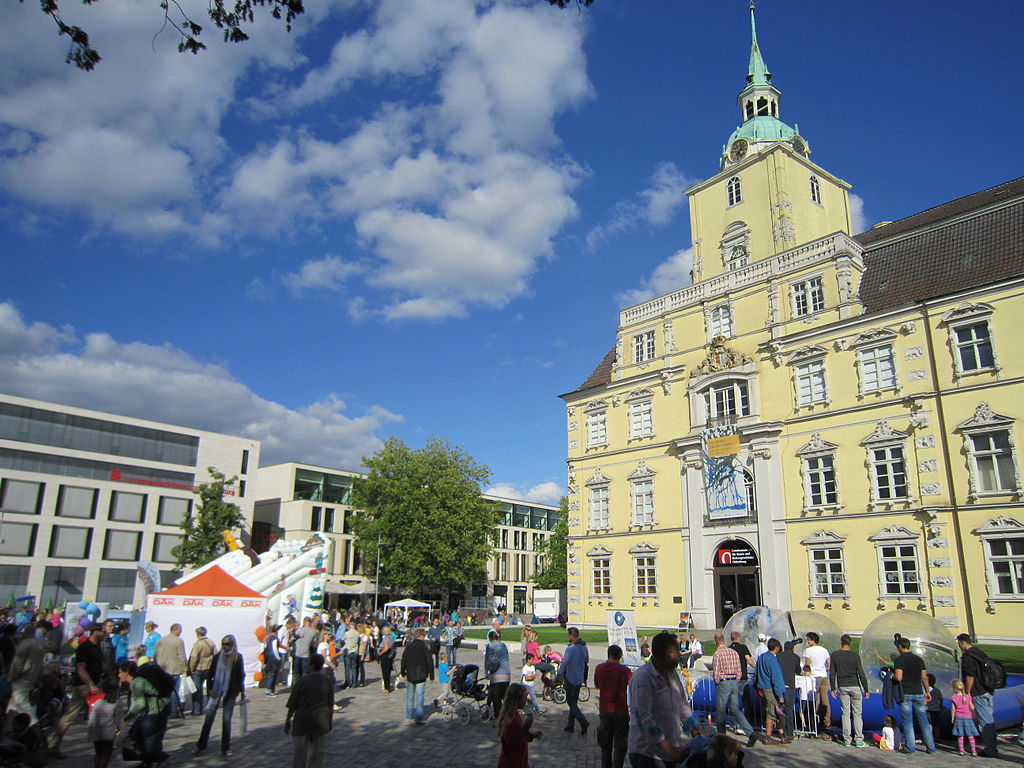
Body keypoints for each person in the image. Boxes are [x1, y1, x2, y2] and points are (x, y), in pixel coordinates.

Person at [627, 631, 693, 767]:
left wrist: (695, 731)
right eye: (676, 652)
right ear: (666, 655)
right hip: (647, 754)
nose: (679, 655)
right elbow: (645, 719)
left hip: (670, 752)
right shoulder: (643, 678)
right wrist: (669, 748)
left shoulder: (672, 674)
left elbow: (682, 705)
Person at [50, 624, 105, 758]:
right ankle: (53, 746)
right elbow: (81, 668)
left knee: (100, 715)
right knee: (71, 715)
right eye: (103, 631)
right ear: (95, 632)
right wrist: (91, 684)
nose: (106, 633)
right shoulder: (84, 647)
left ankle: (102, 747)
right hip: (82, 686)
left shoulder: (98, 647)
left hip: (95, 684)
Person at [195, 634, 245, 757]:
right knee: (209, 719)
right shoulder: (218, 657)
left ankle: (225, 747)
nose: (225, 646)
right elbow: (210, 674)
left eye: (227, 644)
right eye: (223, 643)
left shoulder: (237, 657)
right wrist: (209, 690)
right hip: (216, 690)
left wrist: (242, 691)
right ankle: (201, 745)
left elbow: (240, 675)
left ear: (233, 645)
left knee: (226, 720)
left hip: (231, 691)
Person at [285, 653, 334, 768]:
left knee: (299, 754)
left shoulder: (303, 681)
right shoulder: (327, 681)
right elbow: (330, 704)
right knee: (317, 754)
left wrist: (288, 719)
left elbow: (293, 703)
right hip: (321, 720)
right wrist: (329, 722)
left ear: (311, 665)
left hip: (302, 720)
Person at [120, 660, 170, 768]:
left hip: (156, 711)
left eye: (120, 672)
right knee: (139, 735)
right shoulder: (137, 681)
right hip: (158, 709)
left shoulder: (136, 683)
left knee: (148, 740)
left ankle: (159, 760)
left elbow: (139, 704)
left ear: (126, 672)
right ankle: (149, 761)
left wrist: (127, 716)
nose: (119, 675)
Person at [957, 633, 998, 759]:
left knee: (984, 722)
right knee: (990, 720)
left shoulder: (968, 656)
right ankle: (992, 746)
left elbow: (970, 676)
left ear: (963, 642)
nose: (959, 646)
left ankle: (990, 750)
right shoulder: (980, 653)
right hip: (988, 689)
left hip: (978, 691)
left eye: (959, 643)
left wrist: (967, 692)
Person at [892, 636, 936, 754]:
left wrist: (892, 676)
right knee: (924, 721)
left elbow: (899, 677)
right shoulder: (918, 659)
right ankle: (931, 747)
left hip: (905, 693)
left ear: (900, 647)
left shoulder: (899, 660)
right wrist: (927, 691)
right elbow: (924, 677)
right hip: (918, 692)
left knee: (908, 721)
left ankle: (910, 747)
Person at [829, 633, 869, 747]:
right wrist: (866, 689)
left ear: (841, 642)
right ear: (850, 643)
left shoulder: (835, 655)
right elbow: (861, 673)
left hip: (843, 686)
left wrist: (833, 688)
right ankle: (859, 739)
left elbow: (832, 673)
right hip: (855, 686)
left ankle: (847, 739)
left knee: (845, 714)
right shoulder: (855, 656)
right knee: (857, 714)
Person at [595, 644, 632, 768]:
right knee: (620, 746)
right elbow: (632, 684)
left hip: (605, 710)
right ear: (620, 656)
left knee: (605, 745)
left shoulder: (599, 668)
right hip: (621, 710)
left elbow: (597, 684)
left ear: (608, 654)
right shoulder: (625, 670)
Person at [711, 633, 754, 738]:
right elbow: (739, 669)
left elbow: (716, 672)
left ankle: (721, 735)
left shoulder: (718, 654)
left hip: (723, 681)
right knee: (735, 708)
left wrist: (717, 681)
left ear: (716, 642)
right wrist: (736, 679)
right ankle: (750, 732)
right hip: (734, 681)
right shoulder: (733, 653)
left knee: (721, 709)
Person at [496, 683, 542, 768]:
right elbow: (514, 742)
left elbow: (520, 733)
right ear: (517, 700)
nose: (526, 700)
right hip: (512, 762)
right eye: (525, 698)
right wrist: (526, 726)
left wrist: (531, 735)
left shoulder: (515, 715)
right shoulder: (510, 720)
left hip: (518, 760)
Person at [752, 638, 788, 745]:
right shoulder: (773, 660)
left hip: (763, 688)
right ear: (776, 648)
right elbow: (777, 679)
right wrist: (780, 695)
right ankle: (768, 736)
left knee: (776, 713)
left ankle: (782, 735)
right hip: (771, 689)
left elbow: (757, 673)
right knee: (771, 713)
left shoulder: (762, 657)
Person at [399, 628, 433, 725]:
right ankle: (419, 717)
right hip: (421, 674)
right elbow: (429, 662)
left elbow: (403, 659)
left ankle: (409, 715)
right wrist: (431, 675)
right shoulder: (424, 647)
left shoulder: (409, 646)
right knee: (420, 696)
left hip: (410, 673)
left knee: (410, 695)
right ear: (422, 636)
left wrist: (403, 672)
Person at [88, 677, 124, 768]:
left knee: (98, 756)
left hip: (97, 734)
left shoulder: (98, 702)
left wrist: (90, 733)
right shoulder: (117, 703)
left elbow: (91, 719)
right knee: (105, 757)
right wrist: (122, 734)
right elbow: (119, 720)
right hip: (108, 735)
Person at [154, 623, 187, 718]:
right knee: (173, 691)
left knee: (163, 691)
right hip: (174, 670)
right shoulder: (178, 641)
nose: (181, 632)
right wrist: (184, 669)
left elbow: (155, 653)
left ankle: (162, 710)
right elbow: (181, 656)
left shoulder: (161, 640)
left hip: (162, 669)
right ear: (176, 630)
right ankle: (173, 712)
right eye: (180, 630)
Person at [561, 626, 590, 736]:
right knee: (574, 702)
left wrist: (560, 674)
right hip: (579, 678)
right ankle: (570, 725)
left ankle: (583, 721)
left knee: (571, 702)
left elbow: (565, 663)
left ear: (571, 636)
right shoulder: (584, 648)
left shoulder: (571, 649)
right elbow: (586, 660)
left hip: (570, 678)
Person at [802, 632, 830, 734]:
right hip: (823, 675)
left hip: (813, 676)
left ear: (811, 640)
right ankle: (827, 721)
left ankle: (814, 721)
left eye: (808, 640)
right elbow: (829, 664)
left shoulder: (808, 651)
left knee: (815, 699)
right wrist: (824, 669)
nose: (807, 642)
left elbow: (807, 665)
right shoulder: (824, 650)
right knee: (825, 700)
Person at [188, 626, 216, 714]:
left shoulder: (197, 644)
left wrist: (191, 668)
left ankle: (196, 710)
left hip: (199, 668)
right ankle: (209, 706)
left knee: (197, 689)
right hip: (209, 667)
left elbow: (194, 657)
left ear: (197, 634)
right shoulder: (211, 642)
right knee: (209, 688)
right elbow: (216, 654)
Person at [777, 640, 801, 741]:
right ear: (792, 648)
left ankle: (782, 730)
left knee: (781, 710)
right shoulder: (796, 657)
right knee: (789, 709)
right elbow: (798, 670)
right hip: (790, 685)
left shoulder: (778, 656)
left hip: (780, 684)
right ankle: (789, 732)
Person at [485, 629, 511, 720]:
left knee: (497, 699)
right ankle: (509, 714)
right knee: (505, 696)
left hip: (496, 675)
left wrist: (486, 673)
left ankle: (500, 718)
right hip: (506, 674)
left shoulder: (490, 646)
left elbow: (487, 661)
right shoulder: (503, 645)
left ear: (490, 638)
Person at [950, 678, 979, 756]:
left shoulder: (953, 697)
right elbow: (972, 708)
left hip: (958, 717)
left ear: (954, 688)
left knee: (960, 735)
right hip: (968, 717)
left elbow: (953, 709)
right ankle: (973, 751)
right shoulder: (968, 697)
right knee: (970, 735)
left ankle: (961, 750)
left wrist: (952, 717)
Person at [263, 625, 284, 696]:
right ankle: (269, 689)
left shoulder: (268, 638)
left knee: (270, 673)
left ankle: (271, 689)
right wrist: (279, 658)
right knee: (273, 674)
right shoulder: (275, 639)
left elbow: (266, 648)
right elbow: (275, 649)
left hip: (268, 657)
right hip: (273, 658)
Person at [377, 624, 396, 693]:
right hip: (390, 656)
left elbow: (386, 648)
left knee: (385, 672)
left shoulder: (386, 638)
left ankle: (386, 688)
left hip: (385, 656)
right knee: (388, 672)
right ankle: (387, 687)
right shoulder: (392, 637)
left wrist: (380, 653)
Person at [925, 673, 942, 744]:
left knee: (929, 723)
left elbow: (925, 700)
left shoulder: (927, 691)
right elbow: (941, 700)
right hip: (937, 709)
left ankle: (929, 737)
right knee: (936, 725)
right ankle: (937, 737)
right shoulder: (937, 690)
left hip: (928, 709)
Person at [342, 622, 360, 689]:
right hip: (355, 652)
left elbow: (343, 640)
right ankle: (354, 682)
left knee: (347, 668)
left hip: (348, 652)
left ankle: (348, 682)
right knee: (354, 668)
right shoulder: (357, 633)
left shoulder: (347, 633)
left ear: (350, 626)